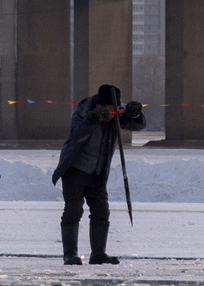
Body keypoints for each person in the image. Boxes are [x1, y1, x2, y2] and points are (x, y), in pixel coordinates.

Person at [51, 84, 146, 265]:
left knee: (101, 211)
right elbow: (77, 134)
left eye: (115, 108)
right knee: (73, 210)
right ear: (100, 105)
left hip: (98, 172)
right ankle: (70, 254)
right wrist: (92, 119)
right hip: (75, 169)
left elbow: (138, 125)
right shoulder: (83, 112)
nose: (112, 112)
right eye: (108, 108)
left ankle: (98, 254)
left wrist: (136, 114)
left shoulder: (116, 115)